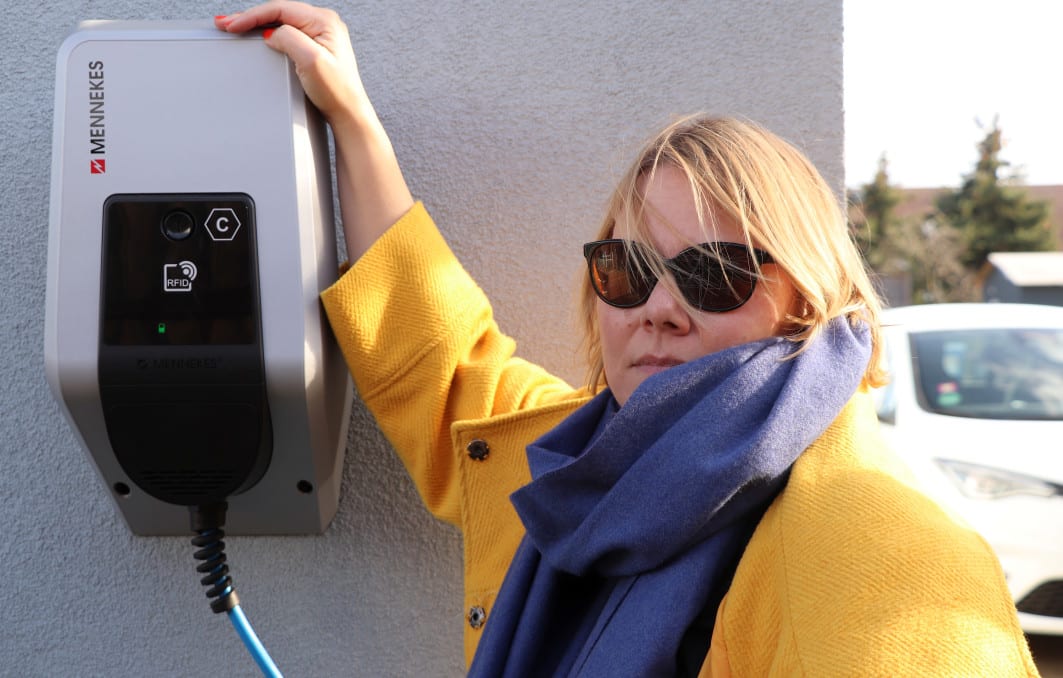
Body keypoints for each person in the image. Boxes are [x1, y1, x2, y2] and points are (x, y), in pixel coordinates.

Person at [218, 4, 1040, 676]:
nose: (659, 309)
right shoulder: (576, 464)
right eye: (627, 269)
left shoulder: (882, 541)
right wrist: (350, 120)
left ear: (805, 302)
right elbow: (443, 359)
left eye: (715, 273)